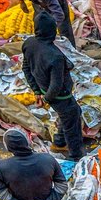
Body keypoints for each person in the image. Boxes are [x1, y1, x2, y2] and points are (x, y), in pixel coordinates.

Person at [23, 12, 85, 161]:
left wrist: (37, 91)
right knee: (72, 122)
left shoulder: (29, 43)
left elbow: (26, 68)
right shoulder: (54, 56)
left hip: (45, 89)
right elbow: (56, 84)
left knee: (73, 113)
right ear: (52, 31)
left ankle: (59, 141)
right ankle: (76, 155)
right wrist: (46, 98)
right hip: (59, 95)